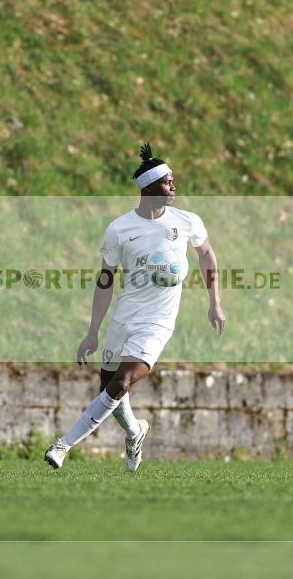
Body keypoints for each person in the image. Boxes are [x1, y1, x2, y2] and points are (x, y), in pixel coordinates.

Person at [44, 143, 226, 471]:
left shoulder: (187, 222)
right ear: (149, 187)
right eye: (168, 181)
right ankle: (135, 431)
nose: (174, 186)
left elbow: (206, 254)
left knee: (121, 383)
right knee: (110, 392)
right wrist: (92, 332)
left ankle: (62, 445)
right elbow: (105, 280)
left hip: (157, 324)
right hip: (124, 317)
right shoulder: (119, 229)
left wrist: (215, 302)